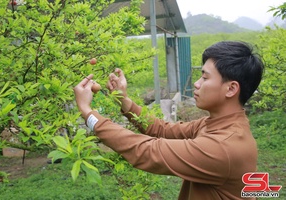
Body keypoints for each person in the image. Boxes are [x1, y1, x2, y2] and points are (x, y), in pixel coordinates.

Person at [73, 41, 264, 200]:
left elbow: (148, 151)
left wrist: (88, 113)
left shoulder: (223, 146)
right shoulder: (216, 124)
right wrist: (125, 102)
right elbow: (163, 130)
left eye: (205, 78)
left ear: (231, 89)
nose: (197, 83)